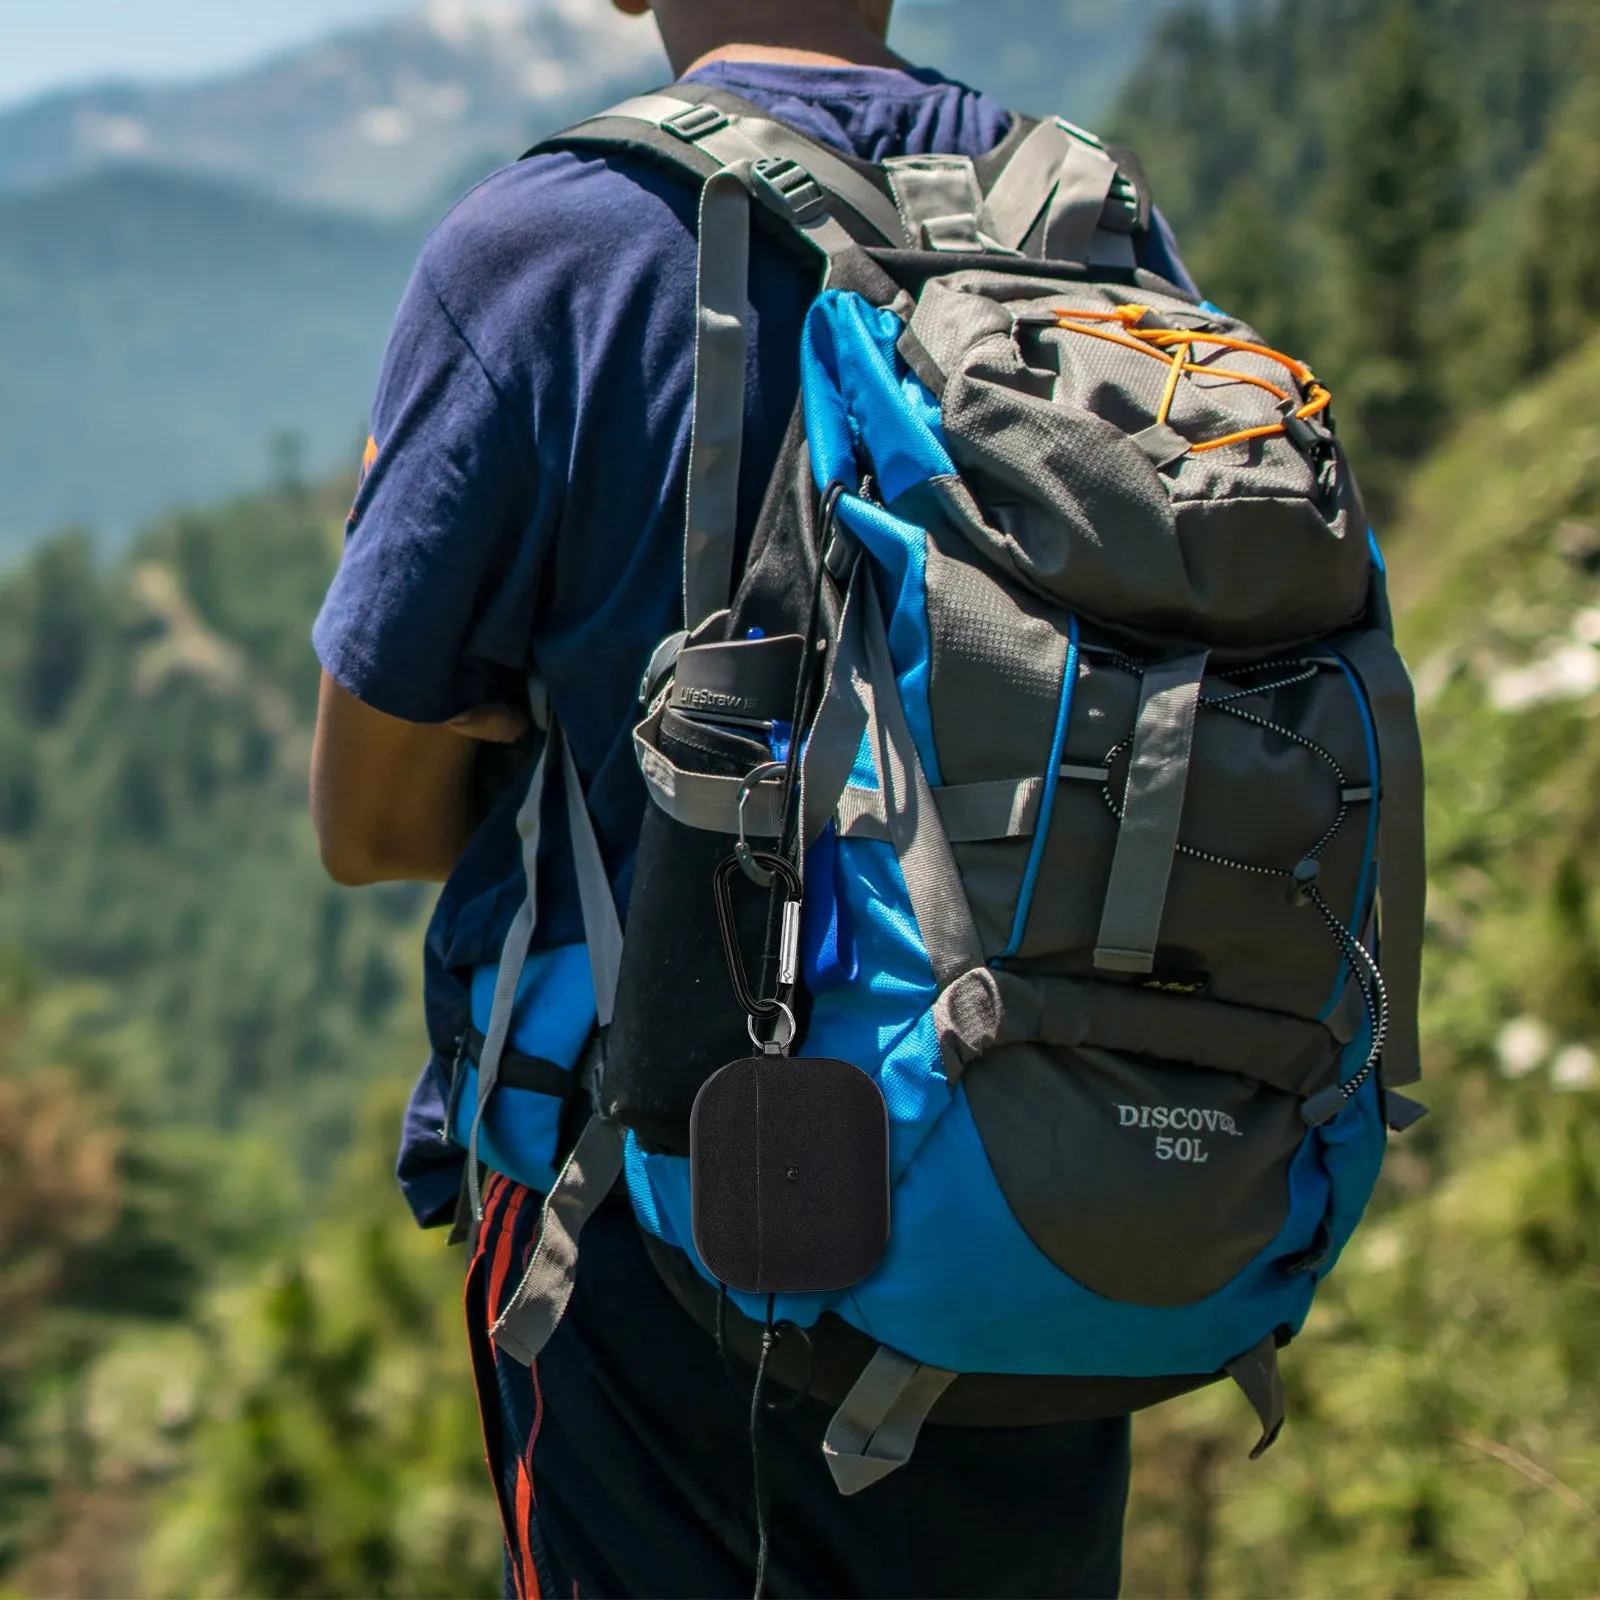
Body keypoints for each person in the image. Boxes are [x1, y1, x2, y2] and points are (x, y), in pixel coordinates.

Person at [310, 1, 1196, 1592]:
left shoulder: (548, 252)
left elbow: (365, 826)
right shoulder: (1087, 221)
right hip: (1035, 1171)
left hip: (666, 1207)